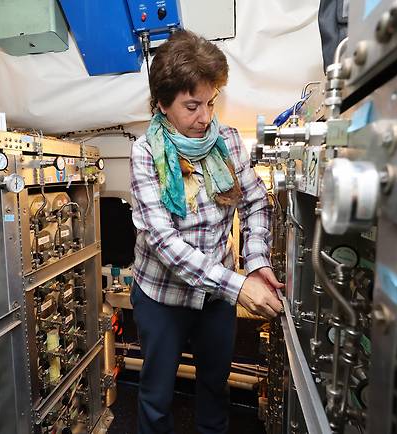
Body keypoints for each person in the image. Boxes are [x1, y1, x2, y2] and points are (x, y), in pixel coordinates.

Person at [129, 30, 284, 434]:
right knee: (156, 395)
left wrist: (255, 263)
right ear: (162, 104)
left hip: (216, 294)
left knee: (215, 387)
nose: (205, 117)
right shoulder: (145, 153)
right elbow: (165, 243)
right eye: (192, 105)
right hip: (161, 295)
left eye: (211, 102)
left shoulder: (229, 141)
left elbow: (254, 202)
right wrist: (237, 286)